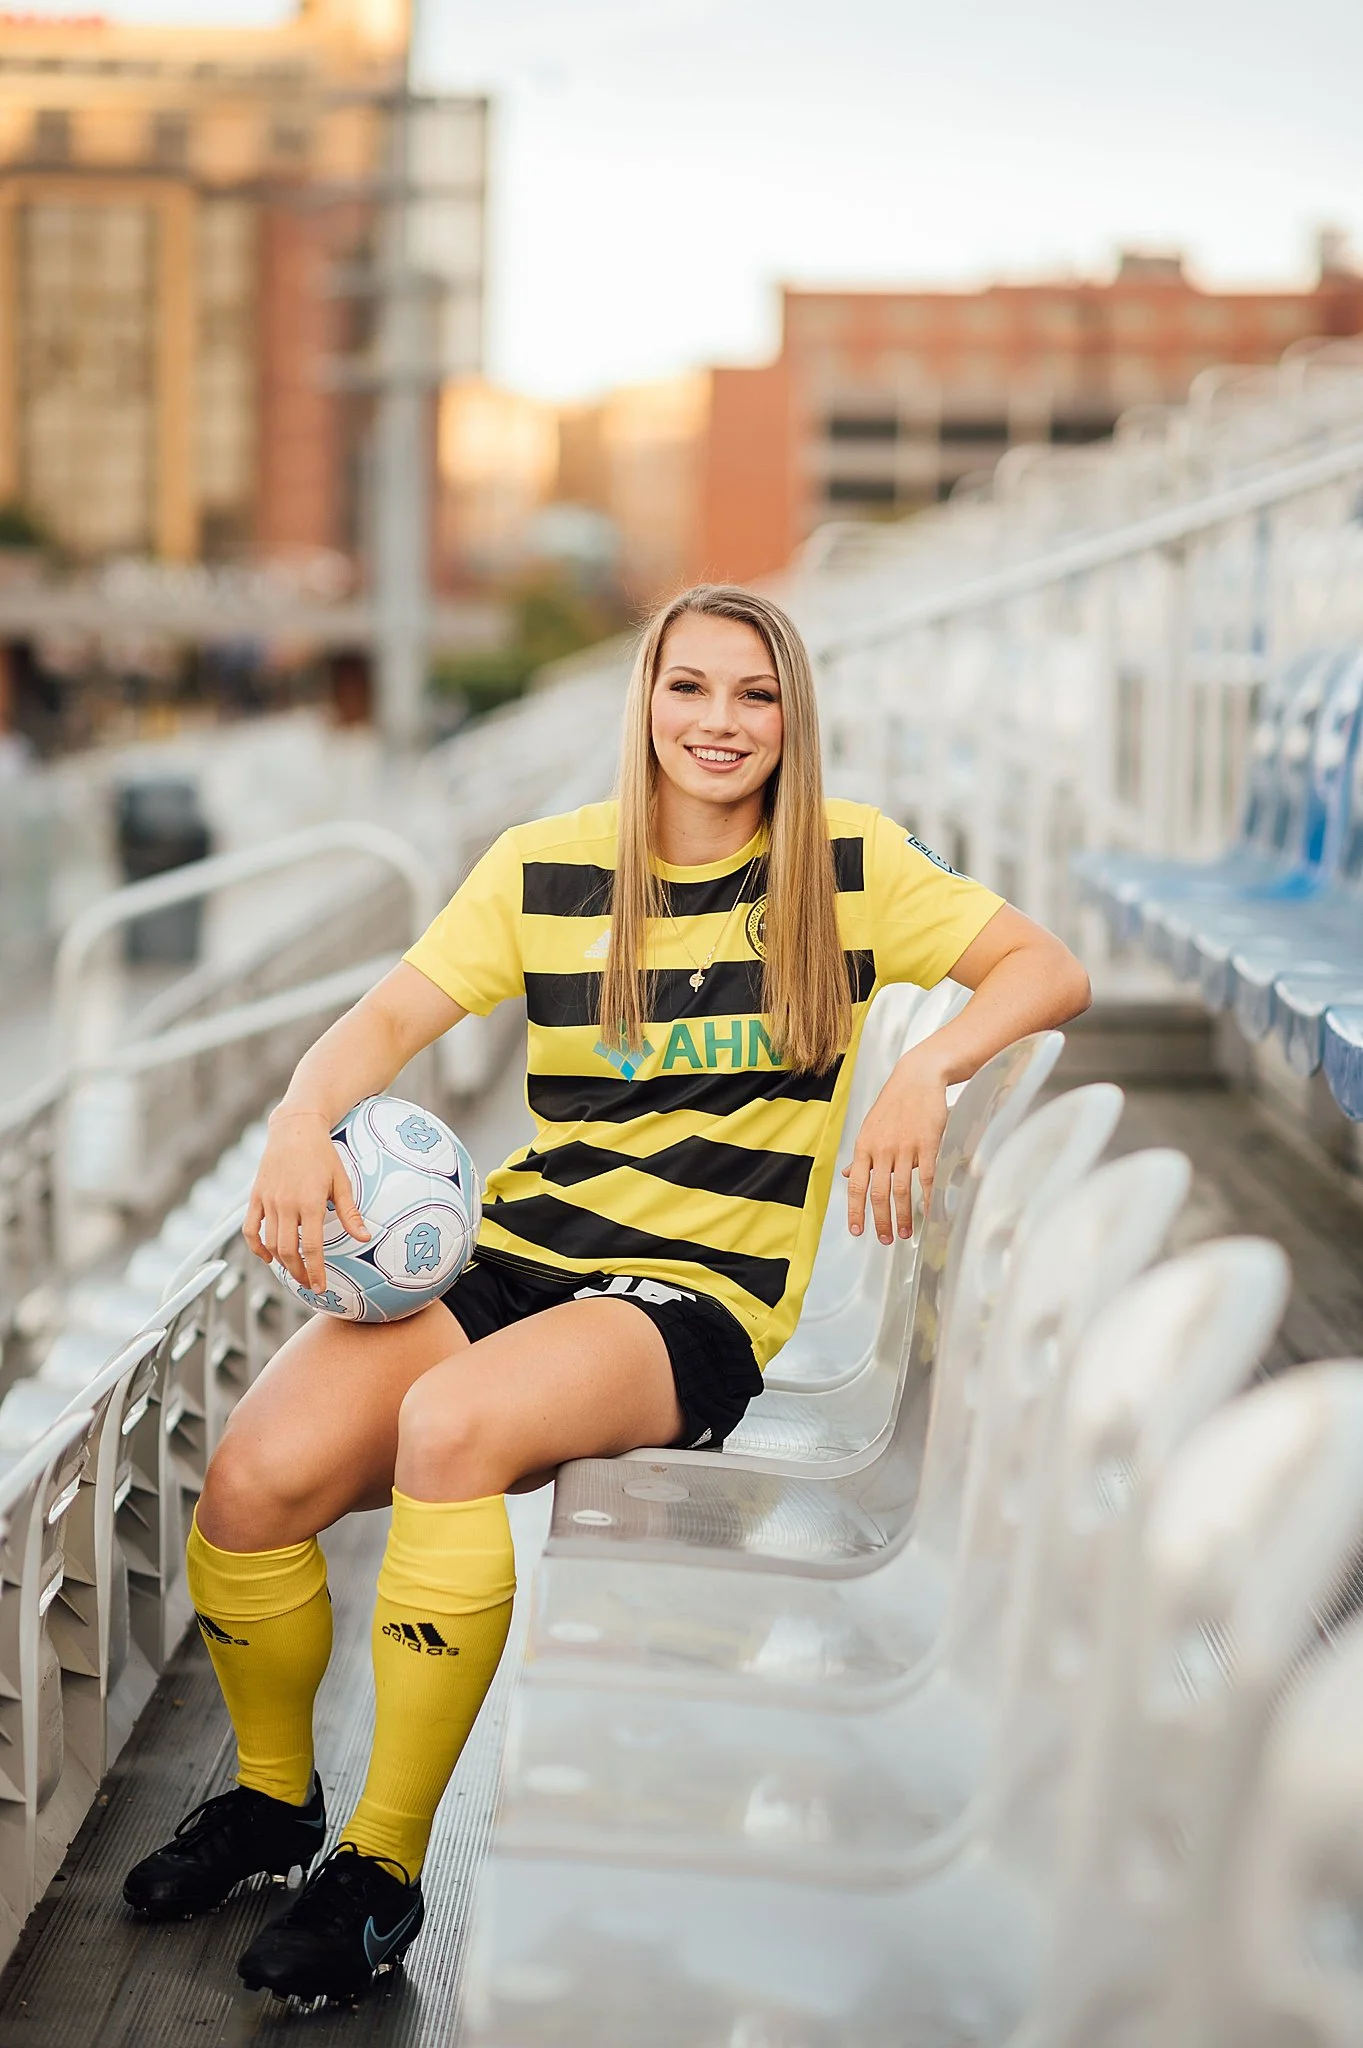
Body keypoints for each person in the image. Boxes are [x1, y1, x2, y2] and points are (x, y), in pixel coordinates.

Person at [121, 584, 1090, 2001]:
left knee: (451, 1427)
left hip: (693, 1296)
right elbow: (386, 1022)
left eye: (754, 696)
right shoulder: (546, 868)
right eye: (689, 688)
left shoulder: (846, 863)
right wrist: (293, 1120)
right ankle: (274, 1800)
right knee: (254, 1479)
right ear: (643, 700)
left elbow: (1045, 969)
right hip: (521, 1254)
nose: (719, 722)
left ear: (790, 718)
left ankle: (383, 1874)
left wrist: (932, 1071)